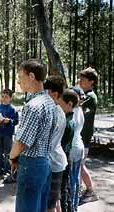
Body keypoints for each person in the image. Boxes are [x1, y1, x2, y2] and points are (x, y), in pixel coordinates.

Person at [9, 59, 57, 212]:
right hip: (45, 162)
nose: (18, 81)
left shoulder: (33, 106)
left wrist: (12, 157)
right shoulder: (50, 102)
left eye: (20, 77)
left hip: (31, 165)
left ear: (31, 76)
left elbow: (22, 142)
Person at [44, 76, 68, 212]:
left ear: (53, 94)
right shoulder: (58, 111)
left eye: (44, 92)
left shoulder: (54, 113)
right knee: (54, 201)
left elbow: (48, 143)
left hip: (53, 164)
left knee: (50, 205)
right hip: (56, 162)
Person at [78, 67, 99, 204]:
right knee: (78, 164)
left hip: (84, 137)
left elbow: (76, 106)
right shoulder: (85, 94)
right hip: (80, 136)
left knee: (80, 164)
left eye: (83, 79)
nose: (80, 81)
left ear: (91, 82)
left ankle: (90, 190)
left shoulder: (90, 97)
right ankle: (78, 188)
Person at [58, 89, 78, 212]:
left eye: (61, 103)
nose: (58, 106)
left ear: (69, 104)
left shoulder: (67, 123)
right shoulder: (68, 118)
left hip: (63, 158)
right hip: (65, 157)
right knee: (65, 189)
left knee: (62, 192)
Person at [0, 89, 18, 176]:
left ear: (10, 98)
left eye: (6, 97)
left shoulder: (13, 109)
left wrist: (9, 121)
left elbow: (16, 121)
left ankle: (7, 170)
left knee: (8, 152)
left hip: (8, 133)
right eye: (2, 96)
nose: (4, 99)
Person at [68, 86, 85, 211]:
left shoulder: (73, 112)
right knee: (76, 177)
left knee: (71, 179)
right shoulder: (79, 110)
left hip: (73, 148)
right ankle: (74, 205)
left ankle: (72, 206)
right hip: (79, 146)